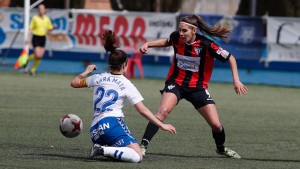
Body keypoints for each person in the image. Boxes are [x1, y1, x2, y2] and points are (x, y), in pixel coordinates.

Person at [138, 15, 248, 159]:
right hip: (176, 83)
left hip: (198, 88)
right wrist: (148, 44)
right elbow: (166, 42)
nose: (181, 33)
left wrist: (236, 80)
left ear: (194, 30)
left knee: (216, 125)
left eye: (184, 31)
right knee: (162, 111)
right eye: (180, 30)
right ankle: (143, 146)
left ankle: (221, 149)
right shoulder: (176, 37)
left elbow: (230, 58)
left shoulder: (207, 45)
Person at [70, 30, 176, 163]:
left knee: (119, 152)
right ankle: (101, 150)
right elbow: (142, 110)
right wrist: (162, 125)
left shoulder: (98, 78)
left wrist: (86, 71)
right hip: (111, 124)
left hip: (95, 130)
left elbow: (74, 83)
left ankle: (104, 148)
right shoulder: (126, 84)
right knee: (137, 156)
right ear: (125, 64)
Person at [24, 4, 56, 75]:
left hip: (43, 38)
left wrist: (53, 28)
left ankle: (32, 70)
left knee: (40, 56)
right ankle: (27, 59)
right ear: (38, 10)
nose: (41, 10)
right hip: (36, 37)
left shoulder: (47, 18)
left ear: (44, 10)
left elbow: (49, 29)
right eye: (40, 9)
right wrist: (27, 38)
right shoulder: (35, 18)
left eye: (42, 9)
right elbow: (30, 29)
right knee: (37, 55)